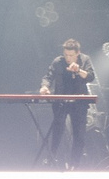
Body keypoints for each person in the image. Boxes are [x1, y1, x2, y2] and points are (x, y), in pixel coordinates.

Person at [39, 38, 98, 167]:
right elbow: (48, 76)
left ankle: (74, 165)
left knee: (79, 135)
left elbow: (90, 76)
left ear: (78, 53)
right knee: (57, 131)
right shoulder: (58, 62)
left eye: (71, 55)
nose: (68, 58)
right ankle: (51, 159)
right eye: (66, 55)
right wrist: (45, 87)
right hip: (61, 101)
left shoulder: (85, 59)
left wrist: (78, 70)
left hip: (79, 102)